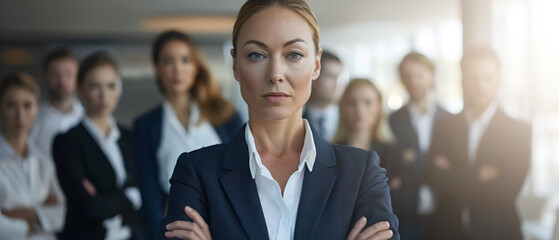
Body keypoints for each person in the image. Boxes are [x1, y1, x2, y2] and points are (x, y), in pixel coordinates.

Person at [160, 0, 399, 239]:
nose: (275, 74)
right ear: (235, 65)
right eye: (256, 55)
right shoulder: (197, 172)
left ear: (316, 64)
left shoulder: (361, 173)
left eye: (293, 55)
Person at [133, 30, 243, 239]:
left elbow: (245, 175)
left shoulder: (225, 114)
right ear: (157, 68)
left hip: (228, 224)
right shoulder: (145, 126)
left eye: (185, 60)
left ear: (196, 67)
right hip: (177, 230)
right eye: (168, 61)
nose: (177, 69)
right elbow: (149, 196)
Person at [425, 47, 530, 240]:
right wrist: (478, 174)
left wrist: (453, 175)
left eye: (487, 77)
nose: (480, 85)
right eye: (473, 78)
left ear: (499, 80)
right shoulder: (444, 127)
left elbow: (507, 190)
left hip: (499, 232)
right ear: (462, 82)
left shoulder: (519, 131)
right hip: (447, 231)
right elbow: (434, 177)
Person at [52, 51, 142, 239]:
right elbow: (89, 206)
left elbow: (144, 191)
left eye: (111, 86)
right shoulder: (67, 141)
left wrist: (107, 200)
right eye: (94, 86)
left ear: (119, 88)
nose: (104, 95)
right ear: (80, 89)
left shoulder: (131, 137)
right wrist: (130, 197)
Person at [388, 52, 451, 239]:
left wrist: (413, 159)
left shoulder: (449, 120)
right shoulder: (392, 121)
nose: (414, 82)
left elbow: (454, 167)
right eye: (407, 76)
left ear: (431, 76)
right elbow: (392, 164)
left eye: (419, 75)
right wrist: (433, 162)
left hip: (444, 210)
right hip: (406, 212)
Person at [0, 72, 66, 240]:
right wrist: (41, 216)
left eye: (27, 105)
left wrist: (27, 213)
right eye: (11, 105)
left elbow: (61, 212)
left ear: (38, 107)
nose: (20, 115)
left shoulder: (44, 160)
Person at [332, 78, 397, 171]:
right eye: (352, 103)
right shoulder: (330, 152)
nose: (359, 110)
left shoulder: (393, 153)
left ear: (379, 108)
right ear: (343, 108)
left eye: (368, 103)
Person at [31, 47, 84, 158]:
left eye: (68, 74)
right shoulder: (31, 119)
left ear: (78, 77)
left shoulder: (88, 120)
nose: (62, 81)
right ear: (46, 77)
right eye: (55, 75)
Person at [302, 50, 343, 141]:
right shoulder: (296, 119)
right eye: (331, 76)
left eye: (338, 77)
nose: (336, 83)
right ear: (314, 76)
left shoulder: (347, 118)